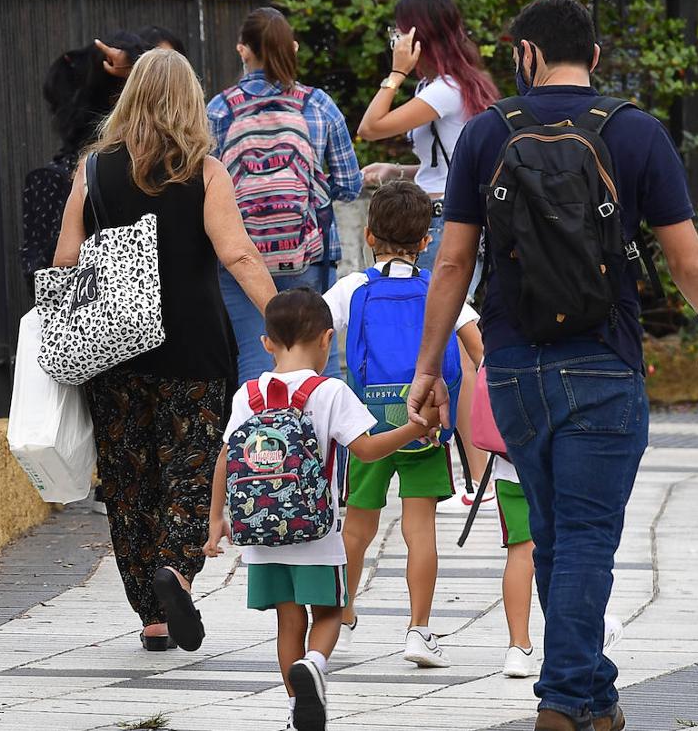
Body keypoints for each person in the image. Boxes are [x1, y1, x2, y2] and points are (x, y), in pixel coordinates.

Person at [408, 0, 698, 731]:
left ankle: (594, 697)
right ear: (593, 56)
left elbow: (453, 263)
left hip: (513, 363)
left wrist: (429, 367)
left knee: (555, 535)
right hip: (602, 360)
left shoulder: (486, 132)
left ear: (526, 55)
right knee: (587, 535)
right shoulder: (635, 131)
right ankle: (562, 699)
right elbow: (685, 255)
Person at [53, 48, 277, 652]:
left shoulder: (93, 170)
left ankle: (152, 618)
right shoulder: (205, 171)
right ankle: (177, 569)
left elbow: (66, 260)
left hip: (115, 350)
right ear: (190, 101)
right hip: (194, 345)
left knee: (129, 481)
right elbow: (237, 253)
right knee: (190, 467)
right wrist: (282, 321)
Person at [204, 288, 441, 731]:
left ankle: (296, 709)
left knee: (288, 622)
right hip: (316, 532)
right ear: (327, 339)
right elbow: (367, 450)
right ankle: (314, 663)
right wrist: (414, 429)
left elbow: (225, 458)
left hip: (261, 533)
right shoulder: (331, 391)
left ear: (266, 343)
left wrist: (217, 518)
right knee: (330, 613)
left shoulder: (247, 395)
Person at [321, 182, 483, 668]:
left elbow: (314, 329)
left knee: (357, 527)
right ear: (426, 241)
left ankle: (341, 613)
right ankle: (418, 630)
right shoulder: (440, 288)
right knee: (420, 528)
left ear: (369, 236)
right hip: (426, 424)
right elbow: (479, 349)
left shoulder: (354, 288)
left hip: (366, 428)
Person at [355, 0, 501, 501]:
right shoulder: (461, 84)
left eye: (400, 30)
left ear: (420, 34)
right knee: (456, 339)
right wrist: (399, 171)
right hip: (453, 217)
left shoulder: (443, 89)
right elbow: (449, 166)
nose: (395, 38)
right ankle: (478, 467)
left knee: (453, 341)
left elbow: (370, 126)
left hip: (444, 226)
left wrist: (394, 74)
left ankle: (479, 468)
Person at [208, 7, 363, 384]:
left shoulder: (220, 110)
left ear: (242, 49)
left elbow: (206, 186)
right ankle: (323, 423)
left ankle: (261, 424)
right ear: (292, 48)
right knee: (319, 356)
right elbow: (350, 185)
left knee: (254, 356)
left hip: (241, 256)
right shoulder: (318, 105)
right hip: (309, 255)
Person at [20, 28, 188, 293]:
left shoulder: (56, 178)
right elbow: (47, 276)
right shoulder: (177, 171)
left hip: (106, 317)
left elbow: (45, 279)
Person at [493, 455, 539, 679]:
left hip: (511, 467)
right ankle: (573, 643)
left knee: (520, 554)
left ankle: (519, 647)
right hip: (569, 466)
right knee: (570, 552)